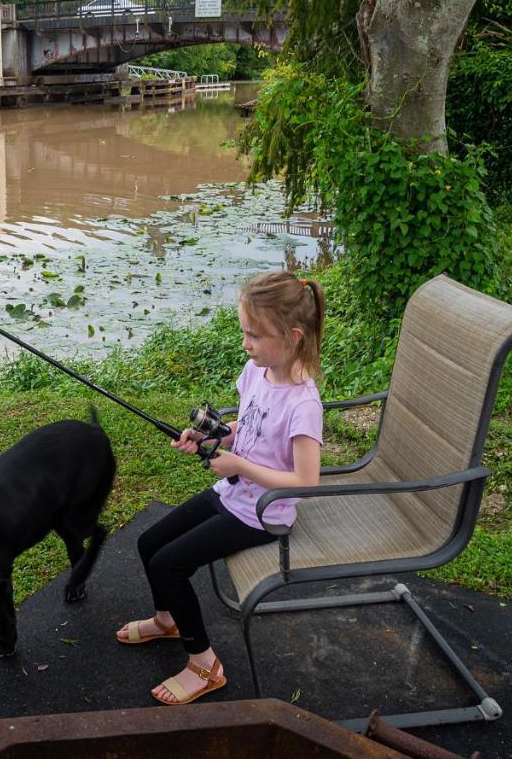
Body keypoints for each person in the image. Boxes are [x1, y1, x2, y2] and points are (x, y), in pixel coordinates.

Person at [116, 270, 325, 705]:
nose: (245, 343)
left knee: (170, 565)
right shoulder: (256, 372)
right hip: (230, 495)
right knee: (149, 542)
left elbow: (305, 482)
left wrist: (241, 465)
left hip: (263, 514)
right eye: (244, 332)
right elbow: (243, 429)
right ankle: (167, 620)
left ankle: (205, 666)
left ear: (292, 336)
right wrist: (215, 438)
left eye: (253, 334)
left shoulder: (304, 406)